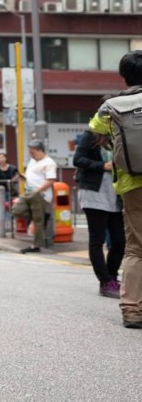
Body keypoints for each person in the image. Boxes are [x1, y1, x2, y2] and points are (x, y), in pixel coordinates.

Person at [87, 50, 142, 328]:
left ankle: (132, 309)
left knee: (135, 248)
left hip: (132, 183)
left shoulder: (114, 105)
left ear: (123, 77)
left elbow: (95, 126)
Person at [73, 129, 124, 298]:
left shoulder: (120, 134)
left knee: (119, 241)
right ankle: (105, 282)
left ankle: (112, 277)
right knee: (97, 239)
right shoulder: (91, 135)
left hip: (115, 194)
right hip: (94, 192)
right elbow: (77, 159)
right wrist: (102, 165)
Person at [12, 140, 57, 254]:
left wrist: (38, 191)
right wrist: (22, 177)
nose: (31, 155)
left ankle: (36, 246)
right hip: (28, 192)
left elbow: (51, 180)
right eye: (30, 152)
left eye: (33, 152)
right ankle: (41, 217)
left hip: (40, 195)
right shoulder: (33, 161)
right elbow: (30, 177)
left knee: (38, 222)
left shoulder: (49, 162)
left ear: (40, 150)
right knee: (16, 210)